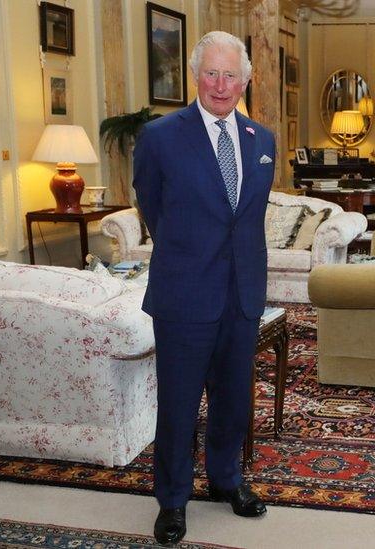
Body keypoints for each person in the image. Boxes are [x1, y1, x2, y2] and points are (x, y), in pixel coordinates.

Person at [133, 31, 275, 546]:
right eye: (212, 73)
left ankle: (225, 480)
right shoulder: (161, 136)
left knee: (234, 399)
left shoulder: (263, 140)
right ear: (196, 76)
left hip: (242, 294)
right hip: (184, 294)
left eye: (231, 74)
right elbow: (151, 205)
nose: (221, 84)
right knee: (178, 402)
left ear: (245, 81)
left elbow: (247, 218)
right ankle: (172, 500)